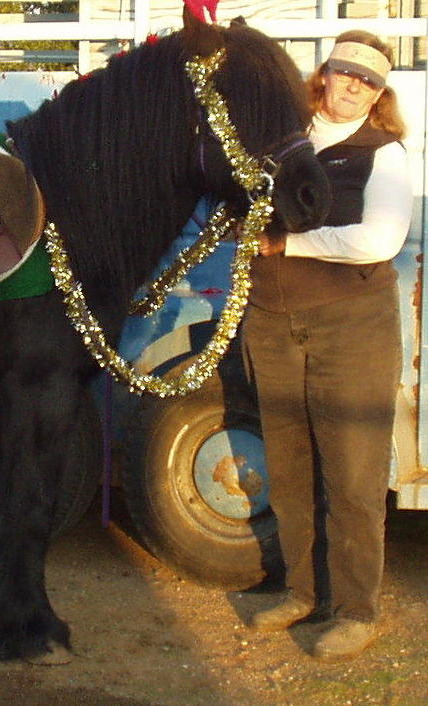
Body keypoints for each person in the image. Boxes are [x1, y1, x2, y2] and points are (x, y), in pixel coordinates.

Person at [241, 30, 413, 661]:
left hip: (352, 328)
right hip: (274, 321)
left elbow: (380, 241)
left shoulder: (385, 154)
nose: (353, 87)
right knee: (287, 470)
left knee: (353, 473)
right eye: (345, 73)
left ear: (379, 92)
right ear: (326, 75)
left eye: (367, 81)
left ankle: (356, 611)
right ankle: (299, 592)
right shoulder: (282, 141)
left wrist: (289, 244)